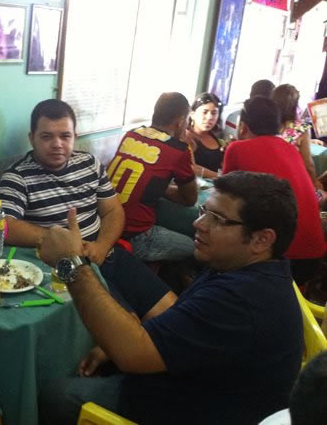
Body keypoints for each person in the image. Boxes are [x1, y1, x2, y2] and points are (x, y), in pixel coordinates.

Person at [38, 171, 303, 425]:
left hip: (186, 410)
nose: (198, 224)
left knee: (55, 394)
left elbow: (133, 355)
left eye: (217, 219)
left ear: (262, 239)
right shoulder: (242, 268)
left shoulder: (242, 299)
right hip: (191, 384)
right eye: (204, 211)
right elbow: (185, 322)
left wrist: (70, 264)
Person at [0, 98, 125, 266]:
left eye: (65, 136)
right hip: (62, 267)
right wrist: (61, 241)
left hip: (105, 254)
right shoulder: (17, 177)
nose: (57, 144)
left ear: (74, 137)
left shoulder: (90, 163)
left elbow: (113, 211)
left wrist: (102, 246)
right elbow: (4, 226)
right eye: (46, 137)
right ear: (32, 138)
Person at [223, 96, 326, 284]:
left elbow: (224, 198)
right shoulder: (290, 149)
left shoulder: (236, 148)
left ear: (242, 126)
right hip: (312, 255)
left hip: (279, 260)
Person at [107, 92, 197, 262]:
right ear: (180, 121)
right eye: (187, 120)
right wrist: (163, 189)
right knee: (195, 249)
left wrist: (157, 187)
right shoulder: (177, 150)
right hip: (136, 236)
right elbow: (190, 199)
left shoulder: (132, 134)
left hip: (106, 223)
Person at [273, 84, 322, 190]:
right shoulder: (301, 128)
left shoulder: (266, 125)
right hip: (292, 182)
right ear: (295, 105)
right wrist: (315, 183)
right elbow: (308, 165)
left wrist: (311, 141)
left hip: (270, 178)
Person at [183, 92, 224, 178]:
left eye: (214, 113)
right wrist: (220, 176)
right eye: (205, 112)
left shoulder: (218, 139)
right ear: (192, 114)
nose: (209, 117)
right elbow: (190, 167)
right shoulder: (186, 136)